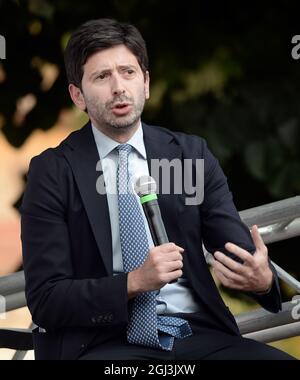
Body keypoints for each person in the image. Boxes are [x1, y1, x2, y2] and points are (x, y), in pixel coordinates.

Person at [21, 18, 296, 360]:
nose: (118, 87)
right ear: (77, 95)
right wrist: (134, 282)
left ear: (146, 83)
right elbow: (47, 298)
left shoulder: (188, 155)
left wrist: (262, 280)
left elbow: (237, 251)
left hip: (198, 334)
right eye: (102, 77)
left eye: (128, 72)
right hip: (103, 344)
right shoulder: (53, 171)